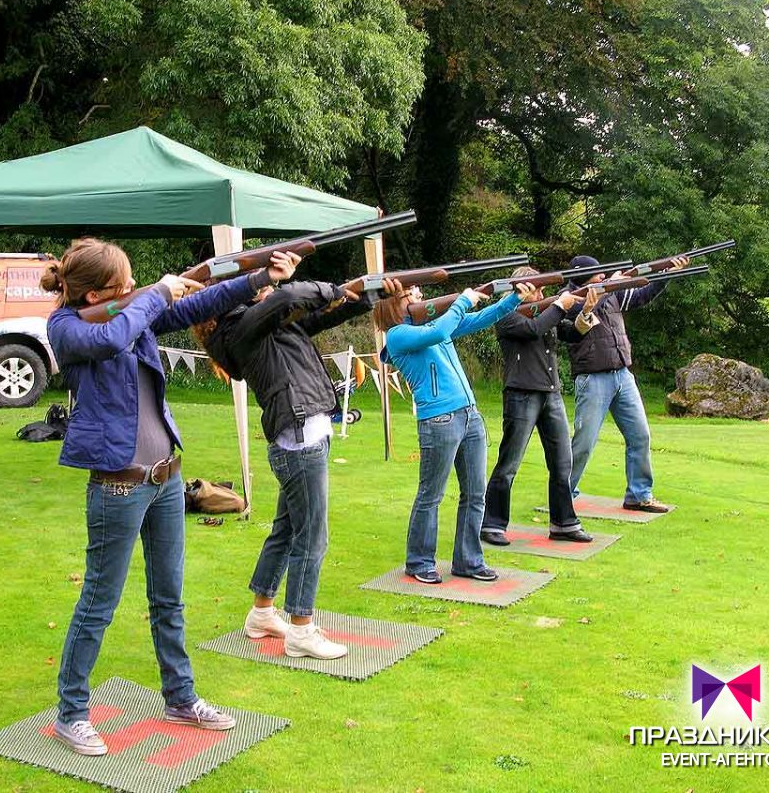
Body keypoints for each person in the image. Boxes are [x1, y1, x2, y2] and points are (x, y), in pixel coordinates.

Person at [43, 238, 295, 757]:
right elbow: (115, 336)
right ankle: (71, 713)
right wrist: (154, 294)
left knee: (169, 598)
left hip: (165, 481)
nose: (134, 289)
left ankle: (181, 697)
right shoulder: (68, 328)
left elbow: (198, 303)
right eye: (123, 285)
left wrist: (260, 278)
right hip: (118, 484)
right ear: (93, 292)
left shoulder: (135, 312)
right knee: (98, 602)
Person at [195, 263, 392, 660]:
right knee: (311, 538)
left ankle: (261, 614)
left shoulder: (261, 325)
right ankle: (301, 629)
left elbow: (320, 313)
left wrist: (369, 294)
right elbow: (287, 297)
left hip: (304, 435)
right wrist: (331, 285)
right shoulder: (238, 328)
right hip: (299, 439)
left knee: (287, 532)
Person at [375, 281, 528, 583]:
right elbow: (441, 332)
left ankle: (469, 561)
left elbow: (479, 319)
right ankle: (419, 562)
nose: (420, 296)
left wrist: (514, 298)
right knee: (431, 495)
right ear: (393, 304)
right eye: (412, 294)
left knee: (475, 494)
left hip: (469, 415)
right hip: (439, 420)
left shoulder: (432, 324)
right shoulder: (398, 335)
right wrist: (462, 301)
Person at [559, 255, 689, 513]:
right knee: (584, 443)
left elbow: (643, 295)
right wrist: (612, 287)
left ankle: (639, 495)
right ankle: (562, 496)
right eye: (598, 274)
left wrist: (666, 274)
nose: (603, 277)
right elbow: (582, 314)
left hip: (622, 374)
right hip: (592, 377)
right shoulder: (568, 298)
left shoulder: (611, 292)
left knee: (640, 435)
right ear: (584, 277)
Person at [481, 267, 592, 545]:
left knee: (562, 462)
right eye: (536, 289)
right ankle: (491, 523)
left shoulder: (544, 314)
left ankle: (563, 522)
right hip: (521, 394)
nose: (541, 295)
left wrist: (585, 312)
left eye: (542, 290)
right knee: (509, 463)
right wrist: (558, 305)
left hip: (550, 392)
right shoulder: (506, 315)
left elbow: (571, 332)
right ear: (521, 290)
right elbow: (533, 329)